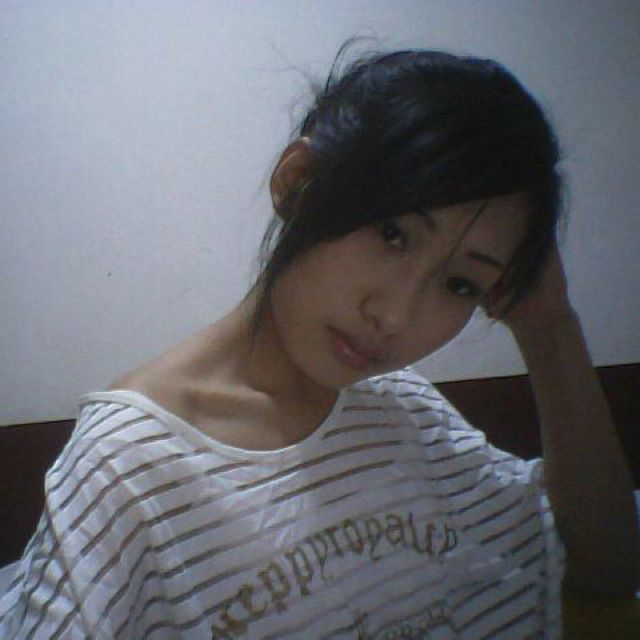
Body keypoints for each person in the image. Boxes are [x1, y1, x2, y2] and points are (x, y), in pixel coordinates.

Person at [1, 43, 638, 640]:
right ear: (297, 182)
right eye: (392, 234)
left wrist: (550, 328)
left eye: (460, 284)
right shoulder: (131, 465)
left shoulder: (404, 409)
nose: (396, 316)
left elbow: (608, 568)